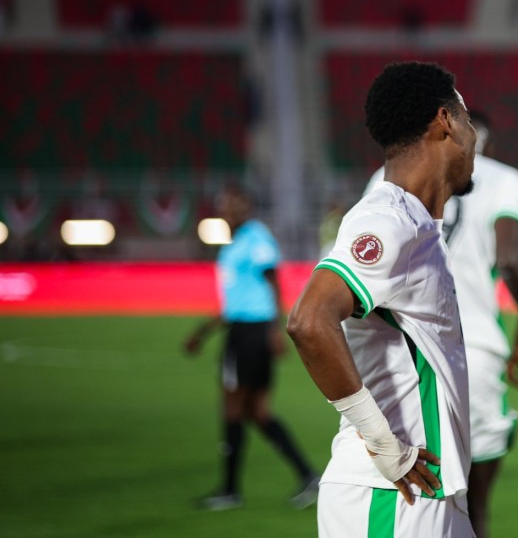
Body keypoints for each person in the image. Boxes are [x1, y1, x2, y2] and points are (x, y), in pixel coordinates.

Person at [286, 61, 478, 537]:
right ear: (445, 121)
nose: (474, 137)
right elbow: (309, 320)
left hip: (425, 488)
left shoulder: (417, 224)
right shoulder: (391, 220)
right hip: (392, 494)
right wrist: (382, 443)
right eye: (468, 120)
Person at [364, 109, 518, 538]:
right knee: (472, 507)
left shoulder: (388, 176)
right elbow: (509, 258)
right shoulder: (505, 179)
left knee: (410, 496)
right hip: (472, 346)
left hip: (401, 351)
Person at [183, 184, 320, 511]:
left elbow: (273, 282)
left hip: (251, 334)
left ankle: (229, 491)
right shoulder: (235, 243)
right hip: (243, 329)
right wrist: (203, 332)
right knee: (257, 412)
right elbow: (237, 300)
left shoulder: (256, 238)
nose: (227, 212)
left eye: (233, 206)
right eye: (224, 207)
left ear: (246, 208)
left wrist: (275, 330)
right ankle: (308, 476)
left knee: (233, 408)